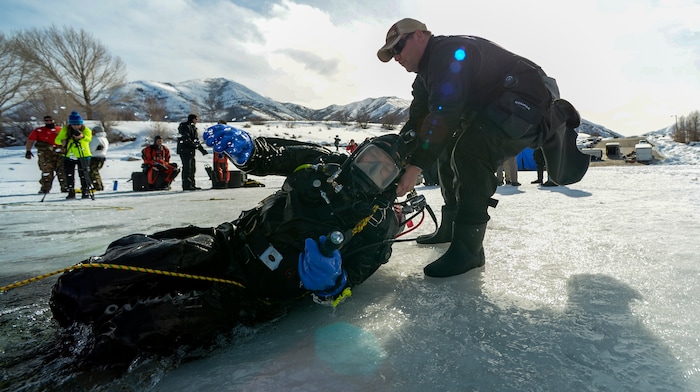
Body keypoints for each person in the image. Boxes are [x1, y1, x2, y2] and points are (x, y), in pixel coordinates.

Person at [49, 125, 418, 364]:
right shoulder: (322, 162)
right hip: (226, 241)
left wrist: (332, 284)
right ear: (359, 151)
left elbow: (350, 282)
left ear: (390, 183)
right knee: (85, 283)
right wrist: (248, 149)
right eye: (369, 159)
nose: (368, 171)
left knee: (128, 333)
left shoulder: (377, 227)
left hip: (255, 294)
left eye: (381, 171)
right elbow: (273, 155)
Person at [377, 18, 589, 277]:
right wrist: (398, 155)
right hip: (489, 108)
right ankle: (452, 228)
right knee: (446, 151)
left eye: (399, 47)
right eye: (391, 53)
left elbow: (445, 114)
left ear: (421, 35)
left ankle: (469, 251)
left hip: (525, 94)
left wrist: (416, 167)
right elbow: (418, 121)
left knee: (471, 150)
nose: (396, 57)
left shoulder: (447, 52)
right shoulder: (423, 78)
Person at [54, 111, 93, 199]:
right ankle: (71, 191)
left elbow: (88, 139)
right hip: (69, 154)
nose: (76, 127)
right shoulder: (65, 130)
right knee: (69, 174)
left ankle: (85, 191)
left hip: (83, 154)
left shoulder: (86, 130)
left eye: (78, 124)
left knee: (84, 174)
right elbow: (57, 140)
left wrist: (82, 137)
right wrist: (62, 141)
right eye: (74, 124)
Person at [24, 115, 67, 194]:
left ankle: (65, 187)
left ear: (53, 120)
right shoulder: (38, 130)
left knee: (62, 170)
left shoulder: (60, 130)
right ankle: (45, 188)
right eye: (46, 120)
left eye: (50, 120)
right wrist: (28, 150)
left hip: (59, 153)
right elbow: (30, 140)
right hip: (45, 154)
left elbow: (65, 140)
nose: (48, 122)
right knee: (46, 171)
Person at [176, 114, 208, 190]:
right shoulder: (185, 127)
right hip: (185, 151)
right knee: (187, 167)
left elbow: (195, 140)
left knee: (192, 168)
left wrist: (202, 150)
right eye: (196, 119)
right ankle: (186, 185)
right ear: (193, 119)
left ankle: (192, 184)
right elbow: (186, 139)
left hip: (190, 151)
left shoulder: (193, 128)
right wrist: (194, 145)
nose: (197, 121)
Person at [88, 126, 109, 191]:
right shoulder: (104, 139)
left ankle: (97, 186)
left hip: (95, 157)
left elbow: (91, 149)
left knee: (93, 172)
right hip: (102, 157)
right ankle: (99, 185)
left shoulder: (96, 139)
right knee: (95, 172)